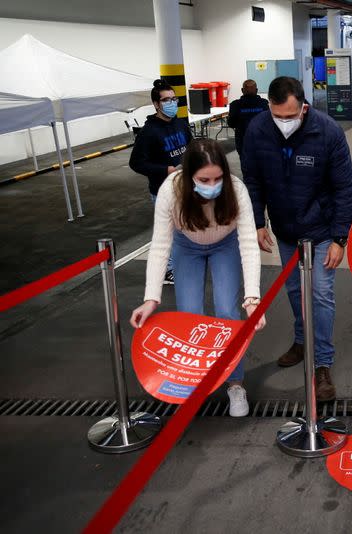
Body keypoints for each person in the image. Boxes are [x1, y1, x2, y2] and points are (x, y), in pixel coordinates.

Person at [242, 76, 352, 402]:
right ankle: (301, 338)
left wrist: (339, 238)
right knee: (294, 291)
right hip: (285, 230)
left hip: (321, 231)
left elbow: (345, 188)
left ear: (304, 107)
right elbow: (252, 179)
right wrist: (257, 221)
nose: (283, 124)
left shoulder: (327, 131)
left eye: (290, 117)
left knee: (320, 294)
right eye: (277, 116)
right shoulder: (258, 130)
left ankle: (322, 363)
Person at [129, 139, 264, 417]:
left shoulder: (236, 189)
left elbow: (249, 242)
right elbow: (160, 245)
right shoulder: (171, 190)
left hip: (224, 245)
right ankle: (194, 382)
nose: (212, 184)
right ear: (188, 174)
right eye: (204, 179)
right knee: (190, 316)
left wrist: (253, 298)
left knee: (228, 313)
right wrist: (151, 298)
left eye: (218, 178)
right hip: (186, 247)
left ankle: (235, 384)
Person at [129, 79, 193, 285]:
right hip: (163, 190)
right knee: (168, 233)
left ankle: (181, 264)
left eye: (174, 99)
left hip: (185, 187)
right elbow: (136, 163)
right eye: (166, 100)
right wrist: (167, 170)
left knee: (184, 229)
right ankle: (168, 271)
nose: (172, 103)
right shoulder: (149, 132)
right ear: (156, 104)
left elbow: (190, 148)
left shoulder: (181, 124)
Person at [227, 79, 269, 156]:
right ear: (256, 90)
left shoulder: (235, 105)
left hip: (243, 141)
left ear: (242, 90)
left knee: (245, 164)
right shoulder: (264, 103)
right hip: (261, 141)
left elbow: (231, 124)